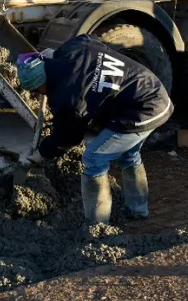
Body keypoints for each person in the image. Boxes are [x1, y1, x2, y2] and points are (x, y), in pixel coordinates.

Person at [15, 34, 173, 225]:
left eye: (35, 90)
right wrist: (55, 55)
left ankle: (97, 225)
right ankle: (138, 210)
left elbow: (69, 138)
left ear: (42, 83)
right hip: (152, 88)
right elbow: (88, 38)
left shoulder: (70, 99)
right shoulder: (73, 48)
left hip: (145, 109)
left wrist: (39, 155)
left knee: (93, 157)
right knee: (128, 154)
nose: (36, 95)